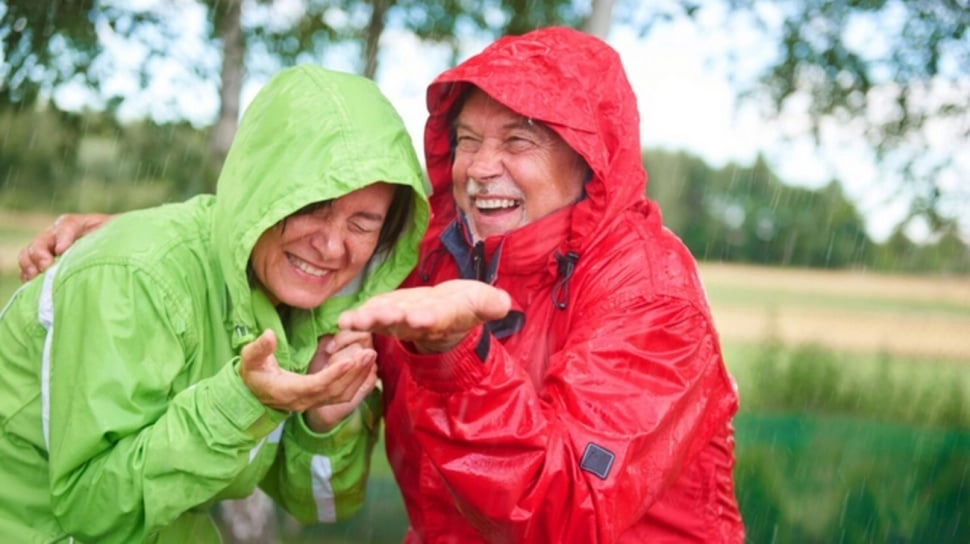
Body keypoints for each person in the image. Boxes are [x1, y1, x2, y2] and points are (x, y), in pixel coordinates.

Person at [20, 27, 743, 543]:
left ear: (590, 160)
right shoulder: (437, 255)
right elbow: (292, 226)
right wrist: (147, 242)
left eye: (518, 140)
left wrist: (455, 352)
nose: (481, 166)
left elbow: (568, 516)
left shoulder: (648, 293)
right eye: (466, 139)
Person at [2, 64, 429, 542]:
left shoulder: (310, 310)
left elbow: (319, 506)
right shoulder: (136, 278)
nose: (332, 247)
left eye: (363, 223)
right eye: (311, 207)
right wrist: (242, 403)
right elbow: (93, 508)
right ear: (261, 192)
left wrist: (324, 422)